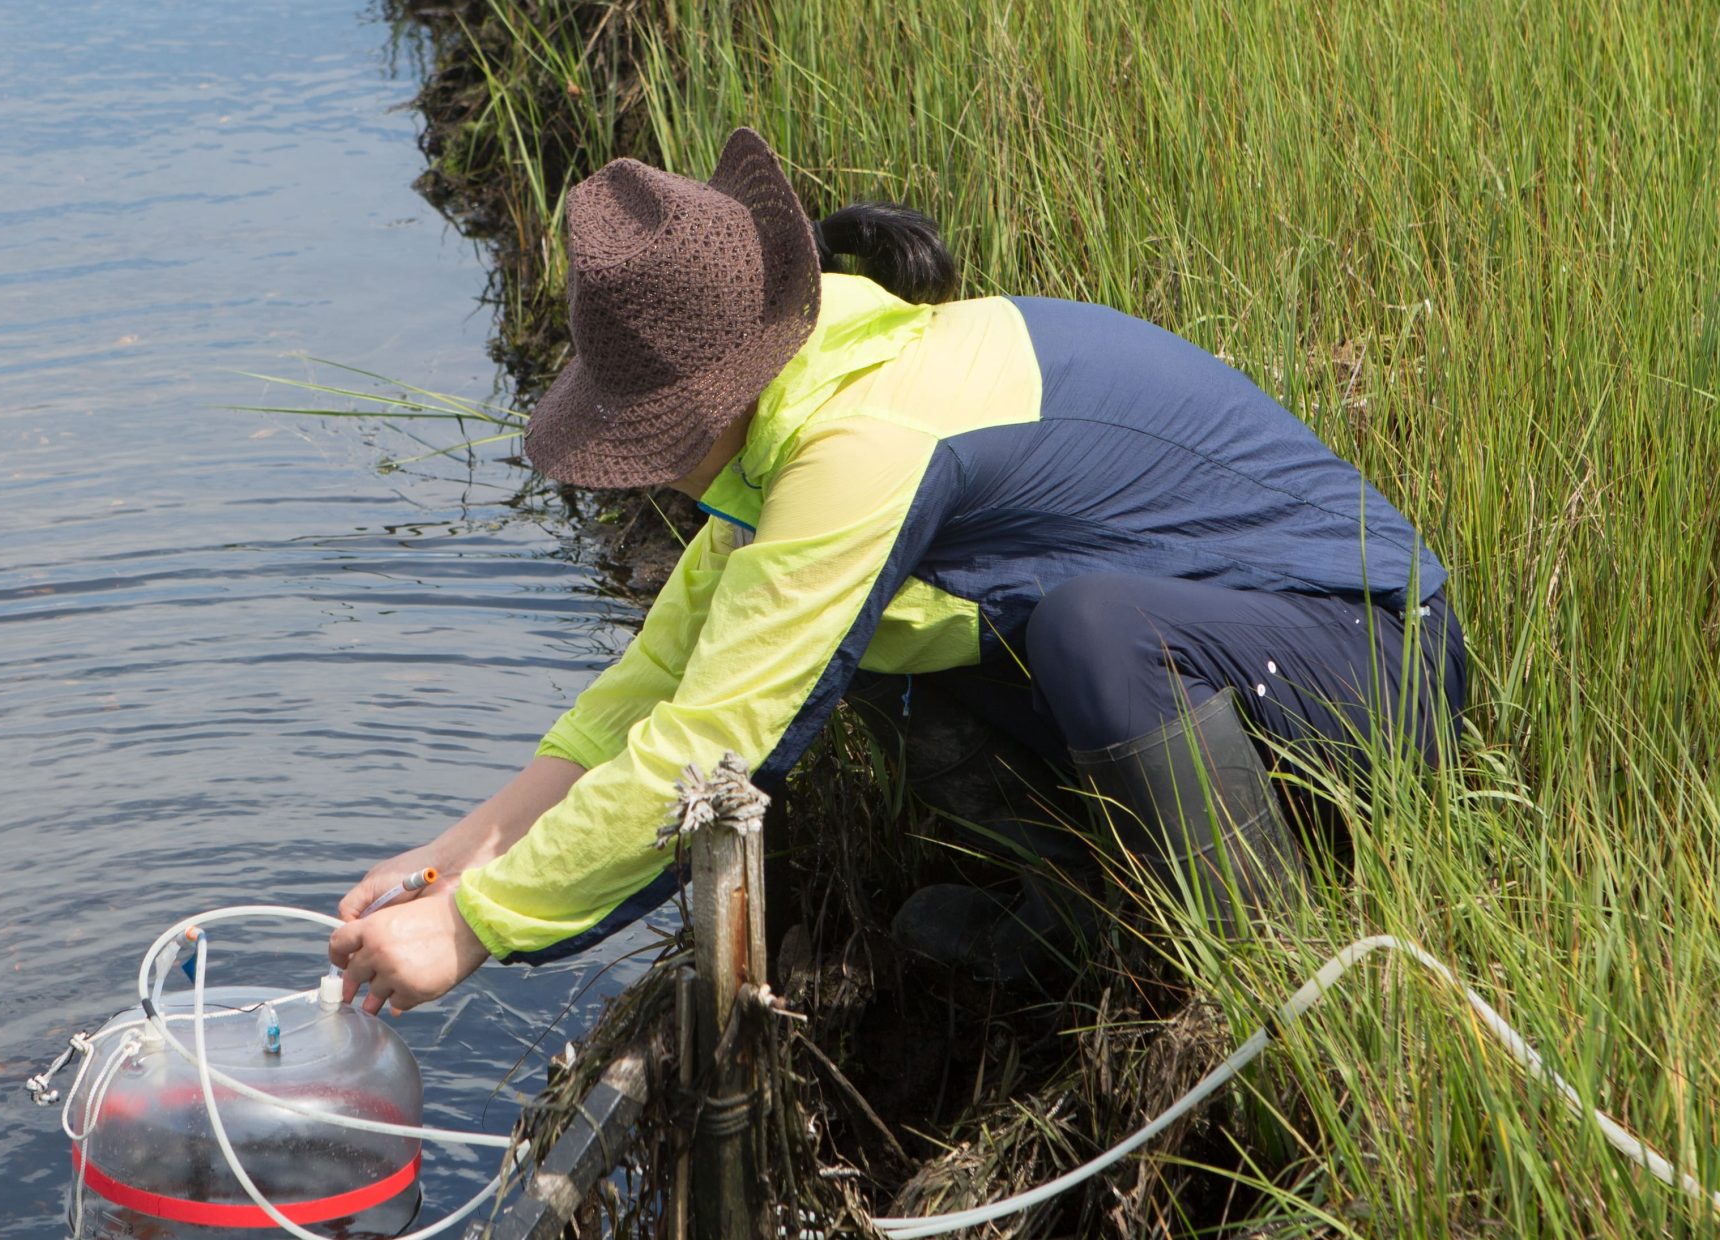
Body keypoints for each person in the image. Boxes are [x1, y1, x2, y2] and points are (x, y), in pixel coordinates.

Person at [329, 129, 1466, 1013]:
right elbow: (656, 685)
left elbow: (708, 741)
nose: (644, 474)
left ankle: (1260, 975)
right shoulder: (811, 394)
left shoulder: (862, 444)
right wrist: (448, 861)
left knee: (1090, 629)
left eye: (644, 441)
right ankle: (1092, 913)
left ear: (708, 402)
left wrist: (472, 929)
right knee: (869, 647)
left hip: (1376, 659)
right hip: (1256, 650)